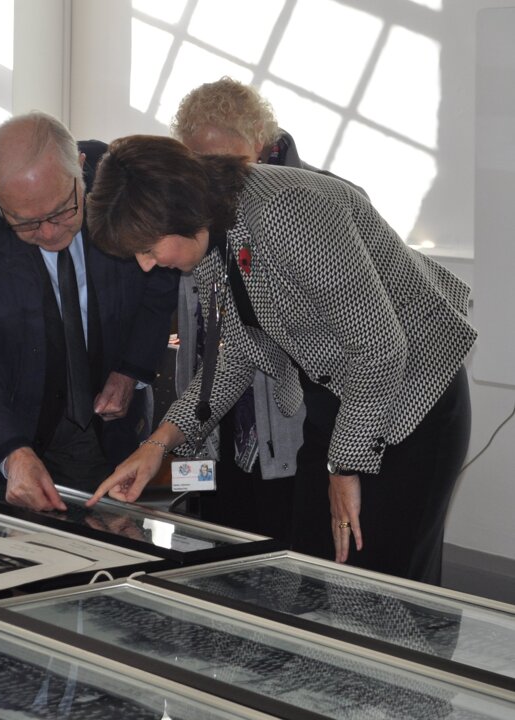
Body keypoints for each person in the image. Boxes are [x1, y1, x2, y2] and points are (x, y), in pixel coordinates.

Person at [86, 134, 477, 585]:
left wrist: (344, 467)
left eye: (148, 248)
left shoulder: (285, 210)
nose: (146, 264)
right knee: (315, 569)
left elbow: (379, 348)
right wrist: (157, 445)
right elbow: (236, 354)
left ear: (179, 211)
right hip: (339, 397)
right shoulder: (215, 233)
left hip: (413, 397)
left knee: (381, 584)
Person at [0, 112, 178, 513]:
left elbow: (160, 281)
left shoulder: (123, 184)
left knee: (102, 546)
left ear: (80, 168)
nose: (48, 232)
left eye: (61, 211)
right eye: (26, 223)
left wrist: (131, 369)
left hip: (95, 430)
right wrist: (10, 452)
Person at [168, 77, 365, 541]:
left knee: (284, 543)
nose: (213, 176)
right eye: (199, 162)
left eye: (225, 161)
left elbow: (357, 339)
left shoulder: (315, 199)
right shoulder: (193, 205)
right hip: (210, 417)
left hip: (289, 422)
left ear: (259, 139)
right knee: (214, 543)